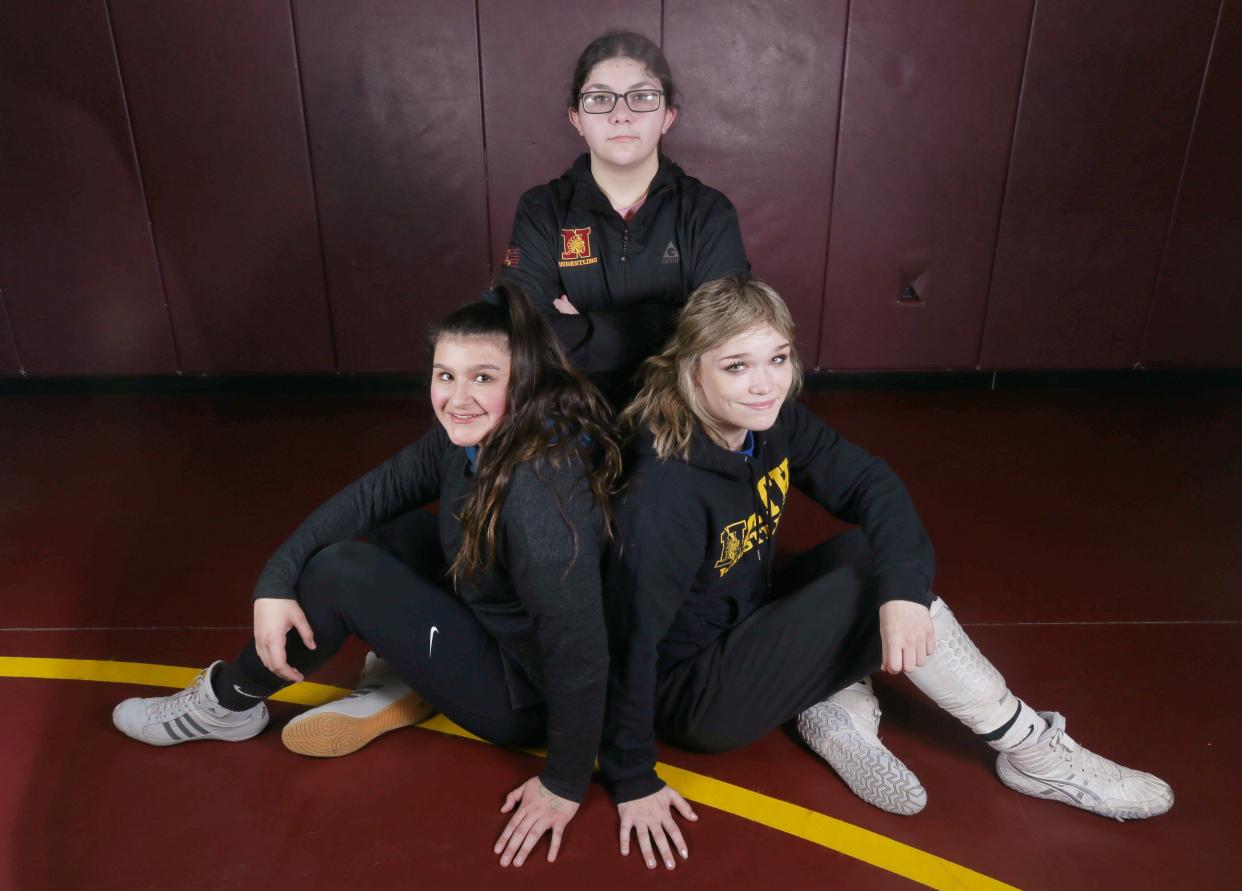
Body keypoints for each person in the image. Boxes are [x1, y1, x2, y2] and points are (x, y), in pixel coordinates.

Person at [601, 275, 1173, 871]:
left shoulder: (771, 424)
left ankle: (828, 700)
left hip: (746, 620)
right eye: (736, 366)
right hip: (696, 694)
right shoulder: (663, 495)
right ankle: (1031, 750)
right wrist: (633, 775)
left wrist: (904, 593)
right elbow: (628, 644)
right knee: (875, 577)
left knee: (874, 558)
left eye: (777, 358)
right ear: (692, 371)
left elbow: (872, 483)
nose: (765, 384)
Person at [112, 282, 622, 868]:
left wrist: (563, 783)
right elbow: (373, 494)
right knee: (394, 531)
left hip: (525, 697)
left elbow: (580, 655)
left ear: (526, 380)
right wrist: (273, 582)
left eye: (484, 377)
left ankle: (229, 702)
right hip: (493, 618)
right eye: (445, 375)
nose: (458, 398)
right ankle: (403, 679)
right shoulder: (480, 437)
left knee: (341, 573)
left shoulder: (542, 499)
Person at [498, 30, 749, 403]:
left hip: (680, 410)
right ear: (576, 118)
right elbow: (525, 334)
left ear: (667, 116)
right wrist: (667, 321)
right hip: (570, 406)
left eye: (642, 97)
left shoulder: (708, 212)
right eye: (600, 98)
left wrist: (582, 324)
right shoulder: (542, 210)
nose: (620, 115)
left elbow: (722, 336)